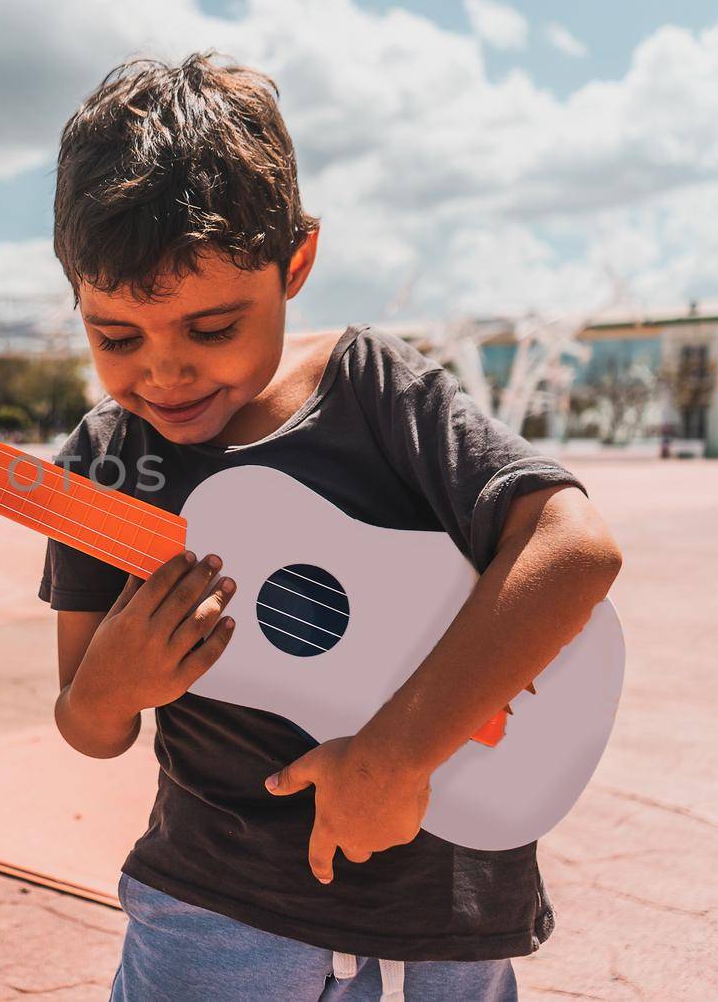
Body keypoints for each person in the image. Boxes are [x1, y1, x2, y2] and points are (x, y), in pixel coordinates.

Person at [39, 52, 623, 1001]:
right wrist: (110, 686)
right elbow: (86, 721)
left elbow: (574, 547)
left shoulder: (376, 393)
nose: (166, 373)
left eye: (214, 328)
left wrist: (395, 753)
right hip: (212, 923)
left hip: (443, 927)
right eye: (116, 337)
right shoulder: (110, 461)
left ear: (295, 263)